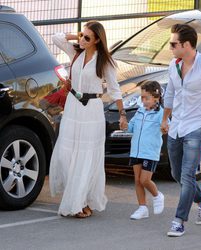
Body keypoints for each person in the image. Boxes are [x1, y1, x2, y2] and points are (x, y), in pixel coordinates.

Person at [49, 20, 128, 218]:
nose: (83, 40)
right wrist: (77, 37)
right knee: (66, 155)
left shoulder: (105, 61)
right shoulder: (76, 51)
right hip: (73, 108)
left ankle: (82, 201)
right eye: (82, 35)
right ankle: (75, 196)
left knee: (87, 157)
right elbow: (56, 37)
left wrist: (122, 115)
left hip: (92, 110)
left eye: (87, 37)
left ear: (98, 40)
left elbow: (115, 90)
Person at [161, 24, 201, 236]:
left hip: (198, 126)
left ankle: (179, 220)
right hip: (176, 126)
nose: (170, 47)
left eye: (173, 44)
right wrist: (164, 119)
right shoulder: (174, 65)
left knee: (188, 174)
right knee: (176, 173)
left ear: (186, 45)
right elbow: (170, 93)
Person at [127, 80, 165, 220]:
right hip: (136, 150)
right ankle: (142, 208)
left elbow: (167, 127)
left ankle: (157, 195)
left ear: (156, 98)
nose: (143, 101)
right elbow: (130, 127)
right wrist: (125, 124)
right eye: (142, 97)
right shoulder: (140, 111)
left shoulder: (161, 114)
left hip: (150, 152)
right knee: (137, 180)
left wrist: (165, 128)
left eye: (146, 98)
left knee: (144, 180)